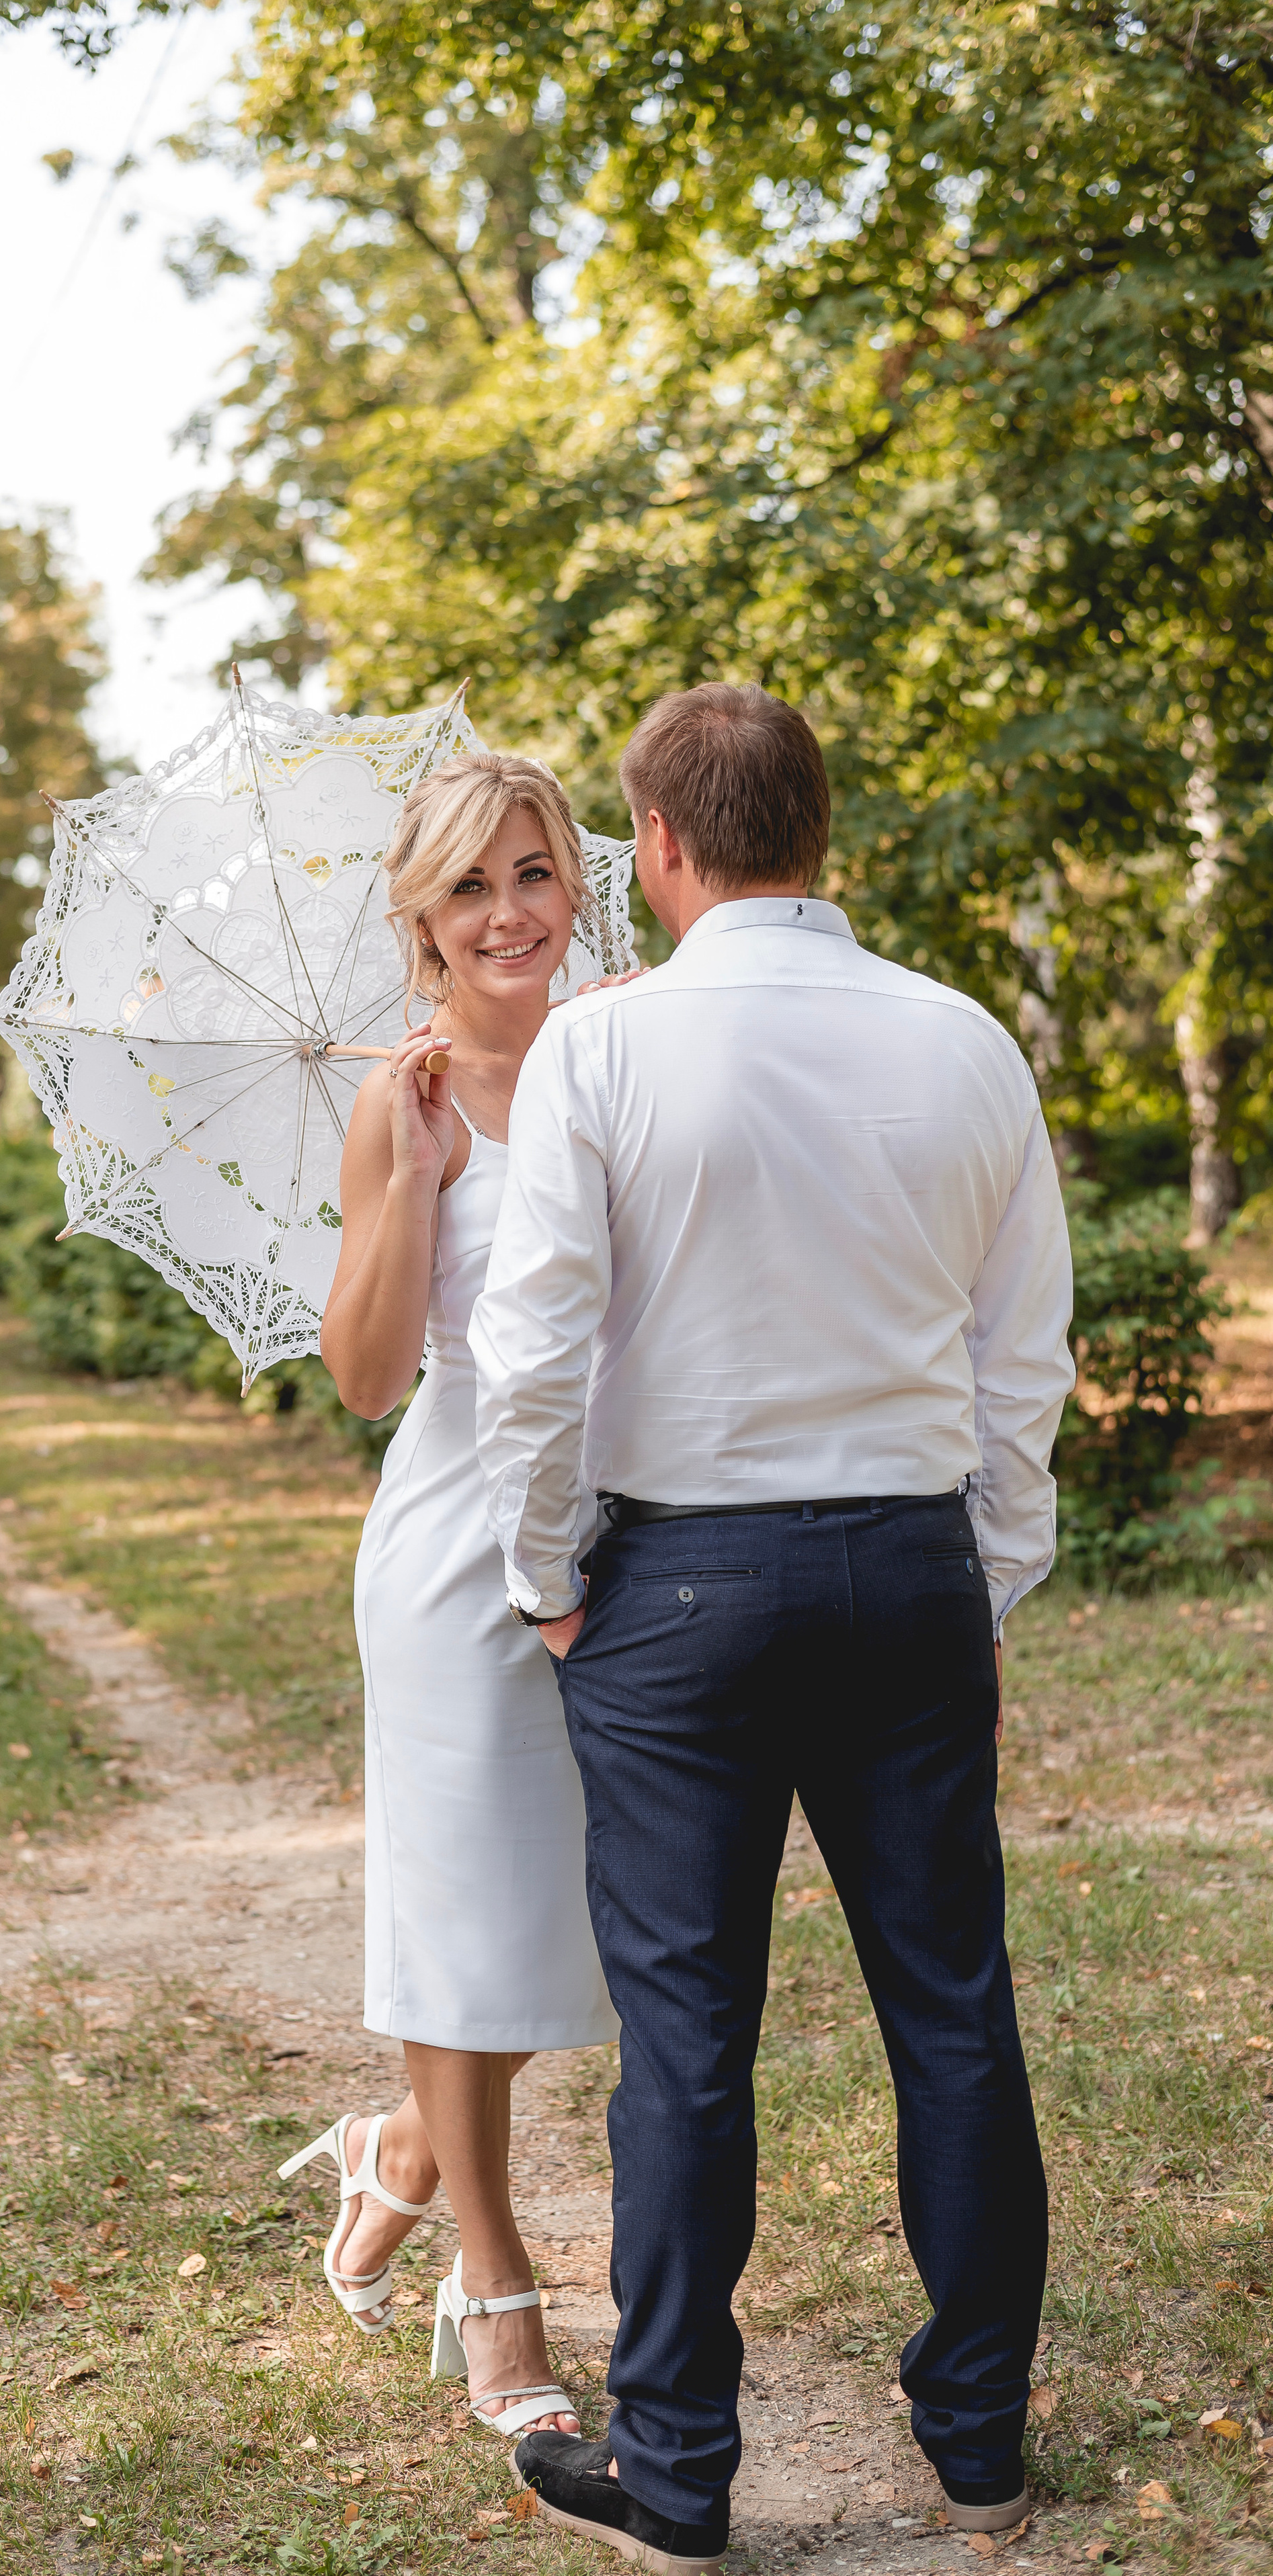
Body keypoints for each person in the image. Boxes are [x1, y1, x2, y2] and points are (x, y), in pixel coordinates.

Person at [470, 685, 1075, 2573]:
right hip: (907, 1567)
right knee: (951, 2008)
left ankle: (679, 2473)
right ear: (819, 830)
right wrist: (988, 1579)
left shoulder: (602, 1047)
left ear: (656, 843)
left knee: (685, 2042)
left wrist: (543, 1575)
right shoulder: (963, 1038)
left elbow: (535, 1348)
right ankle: (979, 2442)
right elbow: (1021, 1357)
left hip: (675, 1593)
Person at [277, 750, 618, 2442]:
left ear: (577, 885)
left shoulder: (629, 1050)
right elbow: (363, 1377)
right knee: (467, 1920)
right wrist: (413, 1179)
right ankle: (494, 2285)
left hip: (631, 1532)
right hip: (455, 1544)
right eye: (470, 886)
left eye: (532, 872)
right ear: (420, 918)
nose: (507, 914)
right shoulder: (395, 1100)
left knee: (579, 1922)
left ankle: (400, 2147)